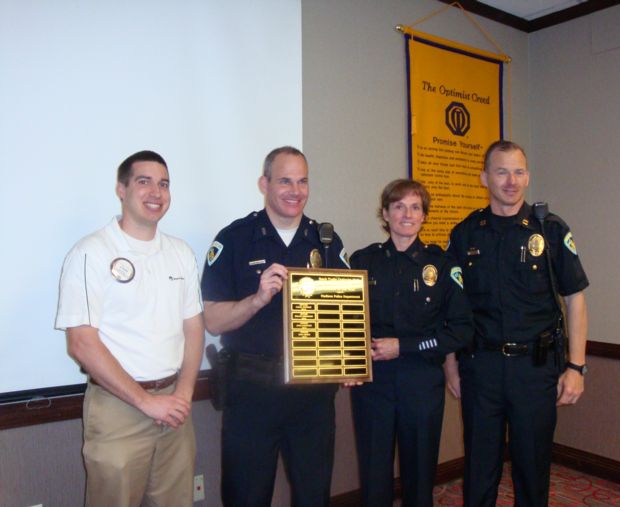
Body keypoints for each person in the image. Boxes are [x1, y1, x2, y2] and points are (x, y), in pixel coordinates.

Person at [201, 146, 350, 507]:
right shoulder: (234, 239)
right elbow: (213, 319)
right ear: (264, 183)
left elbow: (348, 317)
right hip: (252, 391)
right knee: (247, 496)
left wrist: (350, 358)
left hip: (313, 395)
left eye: (302, 181)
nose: (295, 190)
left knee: (314, 496)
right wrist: (256, 299)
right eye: (285, 180)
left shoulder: (326, 242)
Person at [55, 150, 205, 507]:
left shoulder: (180, 252)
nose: (156, 192)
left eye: (164, 184)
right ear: (121, 190)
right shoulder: (91, 253)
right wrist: (145, 402)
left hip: (174, 407)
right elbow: (81, 344)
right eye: (144, 181)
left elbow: (194, 328)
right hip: (118, 409)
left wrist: (183, 394)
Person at [445, 140, 589, 507]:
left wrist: (576, 367)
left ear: (528, 176)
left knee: (533, 470)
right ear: (484, 178)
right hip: (482, 369)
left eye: (519, 171)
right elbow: (452, 309)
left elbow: (575, 299)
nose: (511, 181)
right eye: (501, 171)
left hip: (535, 369)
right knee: (479, 471)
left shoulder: (551, 231)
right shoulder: (465, 234)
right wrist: (451, 368)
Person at [350, 179, 474, 507]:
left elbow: (460, 331)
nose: (407, 214)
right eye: (399, 207)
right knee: (374, 475)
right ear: (386, 214)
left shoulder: (444, 265)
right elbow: (346, 320)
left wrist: (402, 347)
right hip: (373, 384)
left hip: (421, 382)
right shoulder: (363, 261)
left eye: (415, 207)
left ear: (424, 216)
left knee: (419, 478)